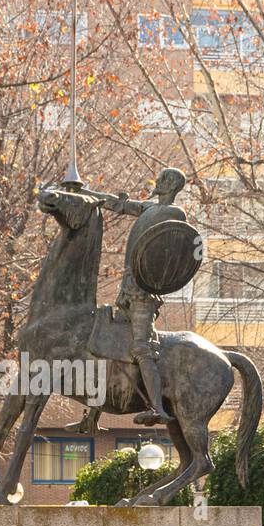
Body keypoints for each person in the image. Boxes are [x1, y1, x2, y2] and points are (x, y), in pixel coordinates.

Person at [67, 167, 189, 432]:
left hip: (145, 295)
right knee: (107, 342)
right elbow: (117, 204)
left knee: (142, 350)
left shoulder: (174, 214)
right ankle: (92, 417)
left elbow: (172, 251)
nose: (156, 181)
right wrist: (85, 193)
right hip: (128, 292)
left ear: (169, 184)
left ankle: (157, 408)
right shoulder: (148, 209)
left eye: (161, 179)